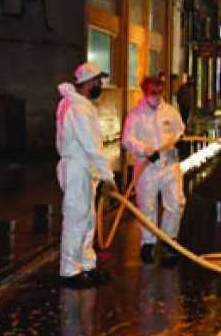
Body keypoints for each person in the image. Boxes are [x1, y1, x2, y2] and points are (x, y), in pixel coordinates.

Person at [56, 62, 117, 289]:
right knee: (76, 219)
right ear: (88, 82)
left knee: (88, 218)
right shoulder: (77, 109)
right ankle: (69, 271)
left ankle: (86, 265)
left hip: (83, 169)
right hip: (77, 169)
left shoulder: (78, 106)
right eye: (98, 81)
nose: (100, 85)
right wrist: (109, 175)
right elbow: (91, 146)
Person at [122, 76, 186, 267]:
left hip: (169, 165)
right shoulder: (135, 115)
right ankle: (148, 243)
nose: (157, 96)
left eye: (160, 91)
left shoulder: (170, 112)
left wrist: (178, 139)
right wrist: (145, 150)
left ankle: (169, 241)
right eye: (153, 92)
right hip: (146, 169)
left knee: (176, 202)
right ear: (145, 91)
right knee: (147, 207)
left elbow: (180, 130)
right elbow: (127, 139)